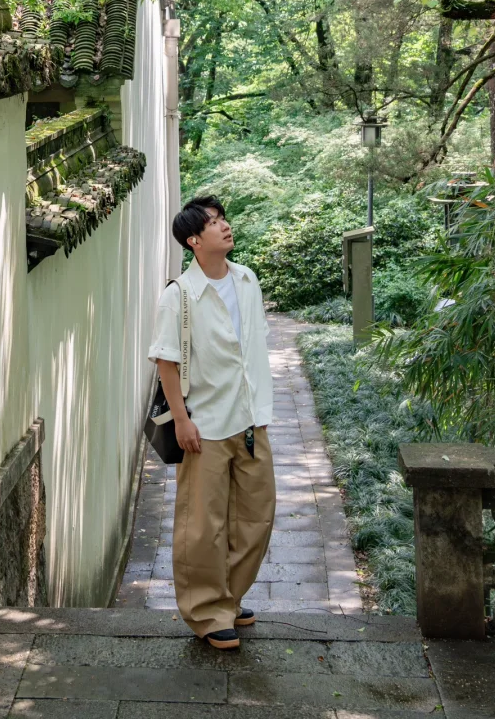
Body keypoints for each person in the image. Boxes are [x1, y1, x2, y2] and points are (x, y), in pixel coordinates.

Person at [148, 195, 275, 650]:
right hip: (205, 424)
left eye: (224, 219)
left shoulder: (247, 280)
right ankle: (206, 613)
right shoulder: (179, 295)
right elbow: (166, 361)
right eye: (214, 223)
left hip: (251, 420)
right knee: (203, 525)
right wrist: (181, 420)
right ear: (193, 240)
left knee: (257, 517)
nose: (224, 227)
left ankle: (228, 595)